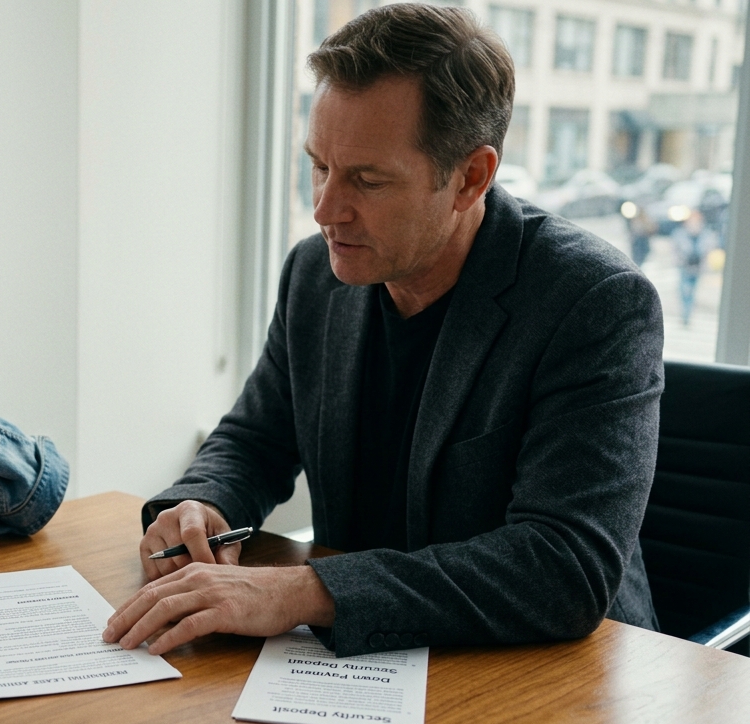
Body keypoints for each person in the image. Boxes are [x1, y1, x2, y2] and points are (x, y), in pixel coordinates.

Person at [104, 4, 663, 658]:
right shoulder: (315, 274)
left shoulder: (595, 302)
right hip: (366, 668)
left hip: (546, 674)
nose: (324, 210)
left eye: (367, 180)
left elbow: (563, 566)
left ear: (471, 177)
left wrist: (304, 591)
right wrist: (203, 505)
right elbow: (256, 439)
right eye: (319, 166)